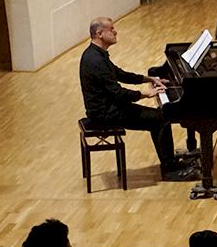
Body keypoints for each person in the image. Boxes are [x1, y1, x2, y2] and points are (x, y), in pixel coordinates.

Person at [79, 17, 199, 181]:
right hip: (105, 113)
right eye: (111, 29)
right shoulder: (96, 61)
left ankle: (170, 161)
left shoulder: (95, 54)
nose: (115, 32)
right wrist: (145, 94)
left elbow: (120, 74)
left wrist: (149, 79)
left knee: (159, 116)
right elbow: (118, 93)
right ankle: (169, 170)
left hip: (108, 107)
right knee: (161, 119)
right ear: (100, 34)